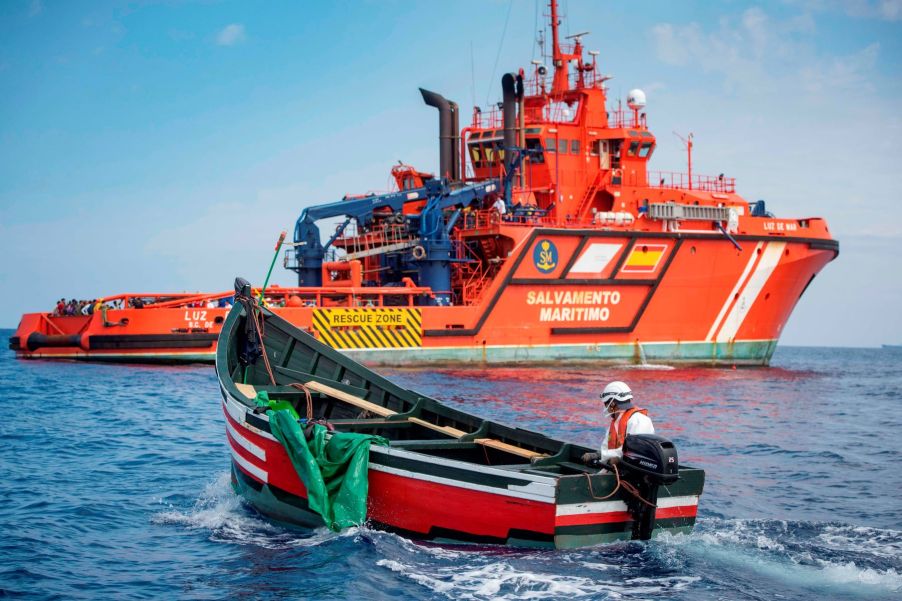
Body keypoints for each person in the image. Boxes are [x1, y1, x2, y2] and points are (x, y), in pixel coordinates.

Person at [581, 381, 655, 466]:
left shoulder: (639, 421)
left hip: (634, 469)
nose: (605, 407)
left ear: (612, 404)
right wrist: (599, 457)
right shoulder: (616, 422)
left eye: (606, 404)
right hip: (619, 467)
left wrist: (599, 455)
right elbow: (606, 449)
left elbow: (633, 452)